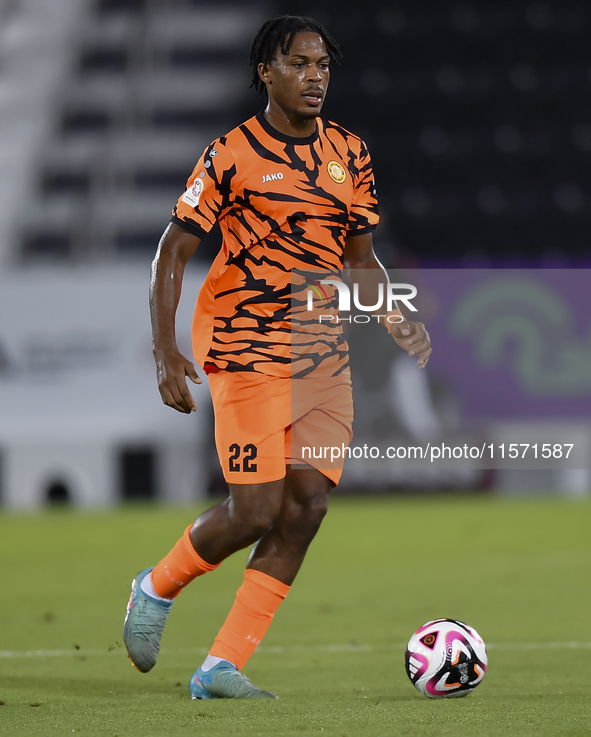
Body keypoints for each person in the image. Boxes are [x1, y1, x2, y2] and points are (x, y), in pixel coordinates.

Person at [123, 15, 432, 701]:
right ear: (266, 71)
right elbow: (172, 249)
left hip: (320, 346)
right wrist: (164, 352)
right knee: (256, 509)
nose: (315, 76)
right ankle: (157, 583)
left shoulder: (349, 153)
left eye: (323, 64)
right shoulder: (229, 154)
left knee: (307, 507)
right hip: (244, 343)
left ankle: (220, 665)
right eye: (299, 63)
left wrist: (392, 315)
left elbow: (359, 257)